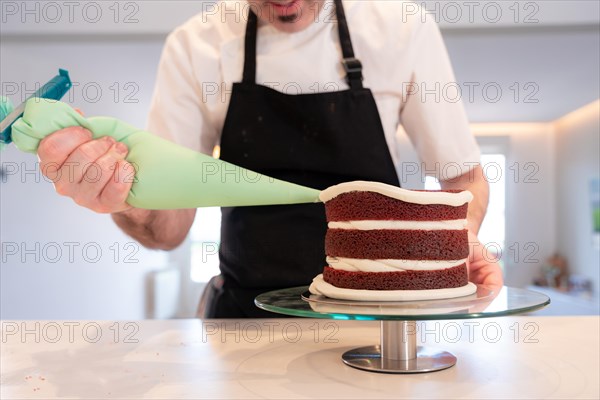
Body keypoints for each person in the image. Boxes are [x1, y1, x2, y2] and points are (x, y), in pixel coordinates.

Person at [36, 0, 503, 318]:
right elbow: (166, 229)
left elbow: (463, 180)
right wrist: (120, 194)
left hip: (377, 325)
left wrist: (450, 246)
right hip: (244, 322)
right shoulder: (195, 46)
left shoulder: (402, 29)